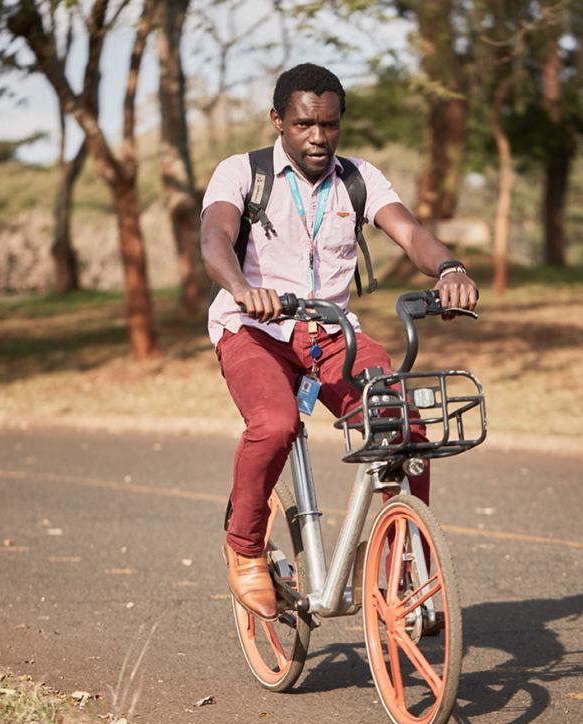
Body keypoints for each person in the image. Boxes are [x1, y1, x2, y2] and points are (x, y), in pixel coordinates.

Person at [200, 63, 479, 621]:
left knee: (406, 427)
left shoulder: (359, 179)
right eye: (305, 124)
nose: (319, 137)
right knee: (275, 424)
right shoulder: (241, 173)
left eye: (330, 124)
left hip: (331, 335)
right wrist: (242, 288)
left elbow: (409, 232)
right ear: (278, 121)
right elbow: (215, 238)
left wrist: (448, 269)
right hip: (255, 330)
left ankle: (404, 562)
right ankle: (245, 546)